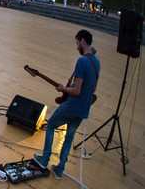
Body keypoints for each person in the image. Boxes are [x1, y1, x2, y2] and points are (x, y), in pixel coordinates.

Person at [34, 29, 100, 180]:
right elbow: (93, 89)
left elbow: (76, 91)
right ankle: (59, 168)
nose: (77, 47)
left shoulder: (82, 61)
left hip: (72, 106)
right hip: (83, 110)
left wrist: (63, 88)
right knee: (69, 137)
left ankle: (44, 160)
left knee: (50, 125)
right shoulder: (96, 63)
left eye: (77, 43)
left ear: (83, 41)